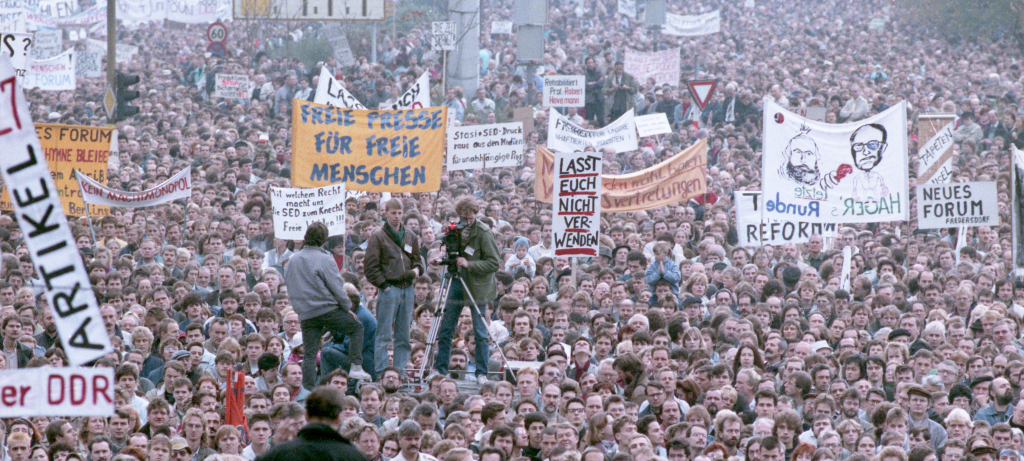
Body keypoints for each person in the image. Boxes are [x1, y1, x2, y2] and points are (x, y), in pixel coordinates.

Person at [283, 222, 371, 387]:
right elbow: (337, 287)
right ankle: (356, 366)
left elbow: (290, 287)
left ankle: (308, 389)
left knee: (309, 354)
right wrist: (347, 308)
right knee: (356, 328)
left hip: (306, 314)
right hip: (327, 310)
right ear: (323, 240)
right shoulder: (324, 259)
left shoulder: (292, 261)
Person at [433, 197, 500, 384]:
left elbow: (494, 262)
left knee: (479, 331)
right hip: (457, 282)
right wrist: (441, 259)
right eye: (464, 218)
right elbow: (452, 252)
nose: (467, 222)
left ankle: (481, 373)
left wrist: (469, 264)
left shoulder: (484, 233)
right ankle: (440, 369)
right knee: (447, 327)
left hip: (477, 287)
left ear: (475, 215)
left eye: (470, 218)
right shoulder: (457, 229)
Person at [363, 198, 425, 378]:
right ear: (386, 213)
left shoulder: (410, 235)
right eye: (393, 213)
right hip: (390, 288)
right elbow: (370, 267)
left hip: (408, 288)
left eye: (400, 213)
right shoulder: (378, 236)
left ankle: (400, 371)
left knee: (404, 334)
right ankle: (382, 371)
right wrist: (384, 285)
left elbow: (418, 260)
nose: (397, 216)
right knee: (383, 334)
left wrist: (416, 270)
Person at [257, 386, 369, 461]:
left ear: (306, 415)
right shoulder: (353, 456)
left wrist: (276, 448)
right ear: (338, 417)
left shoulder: (282, 453)